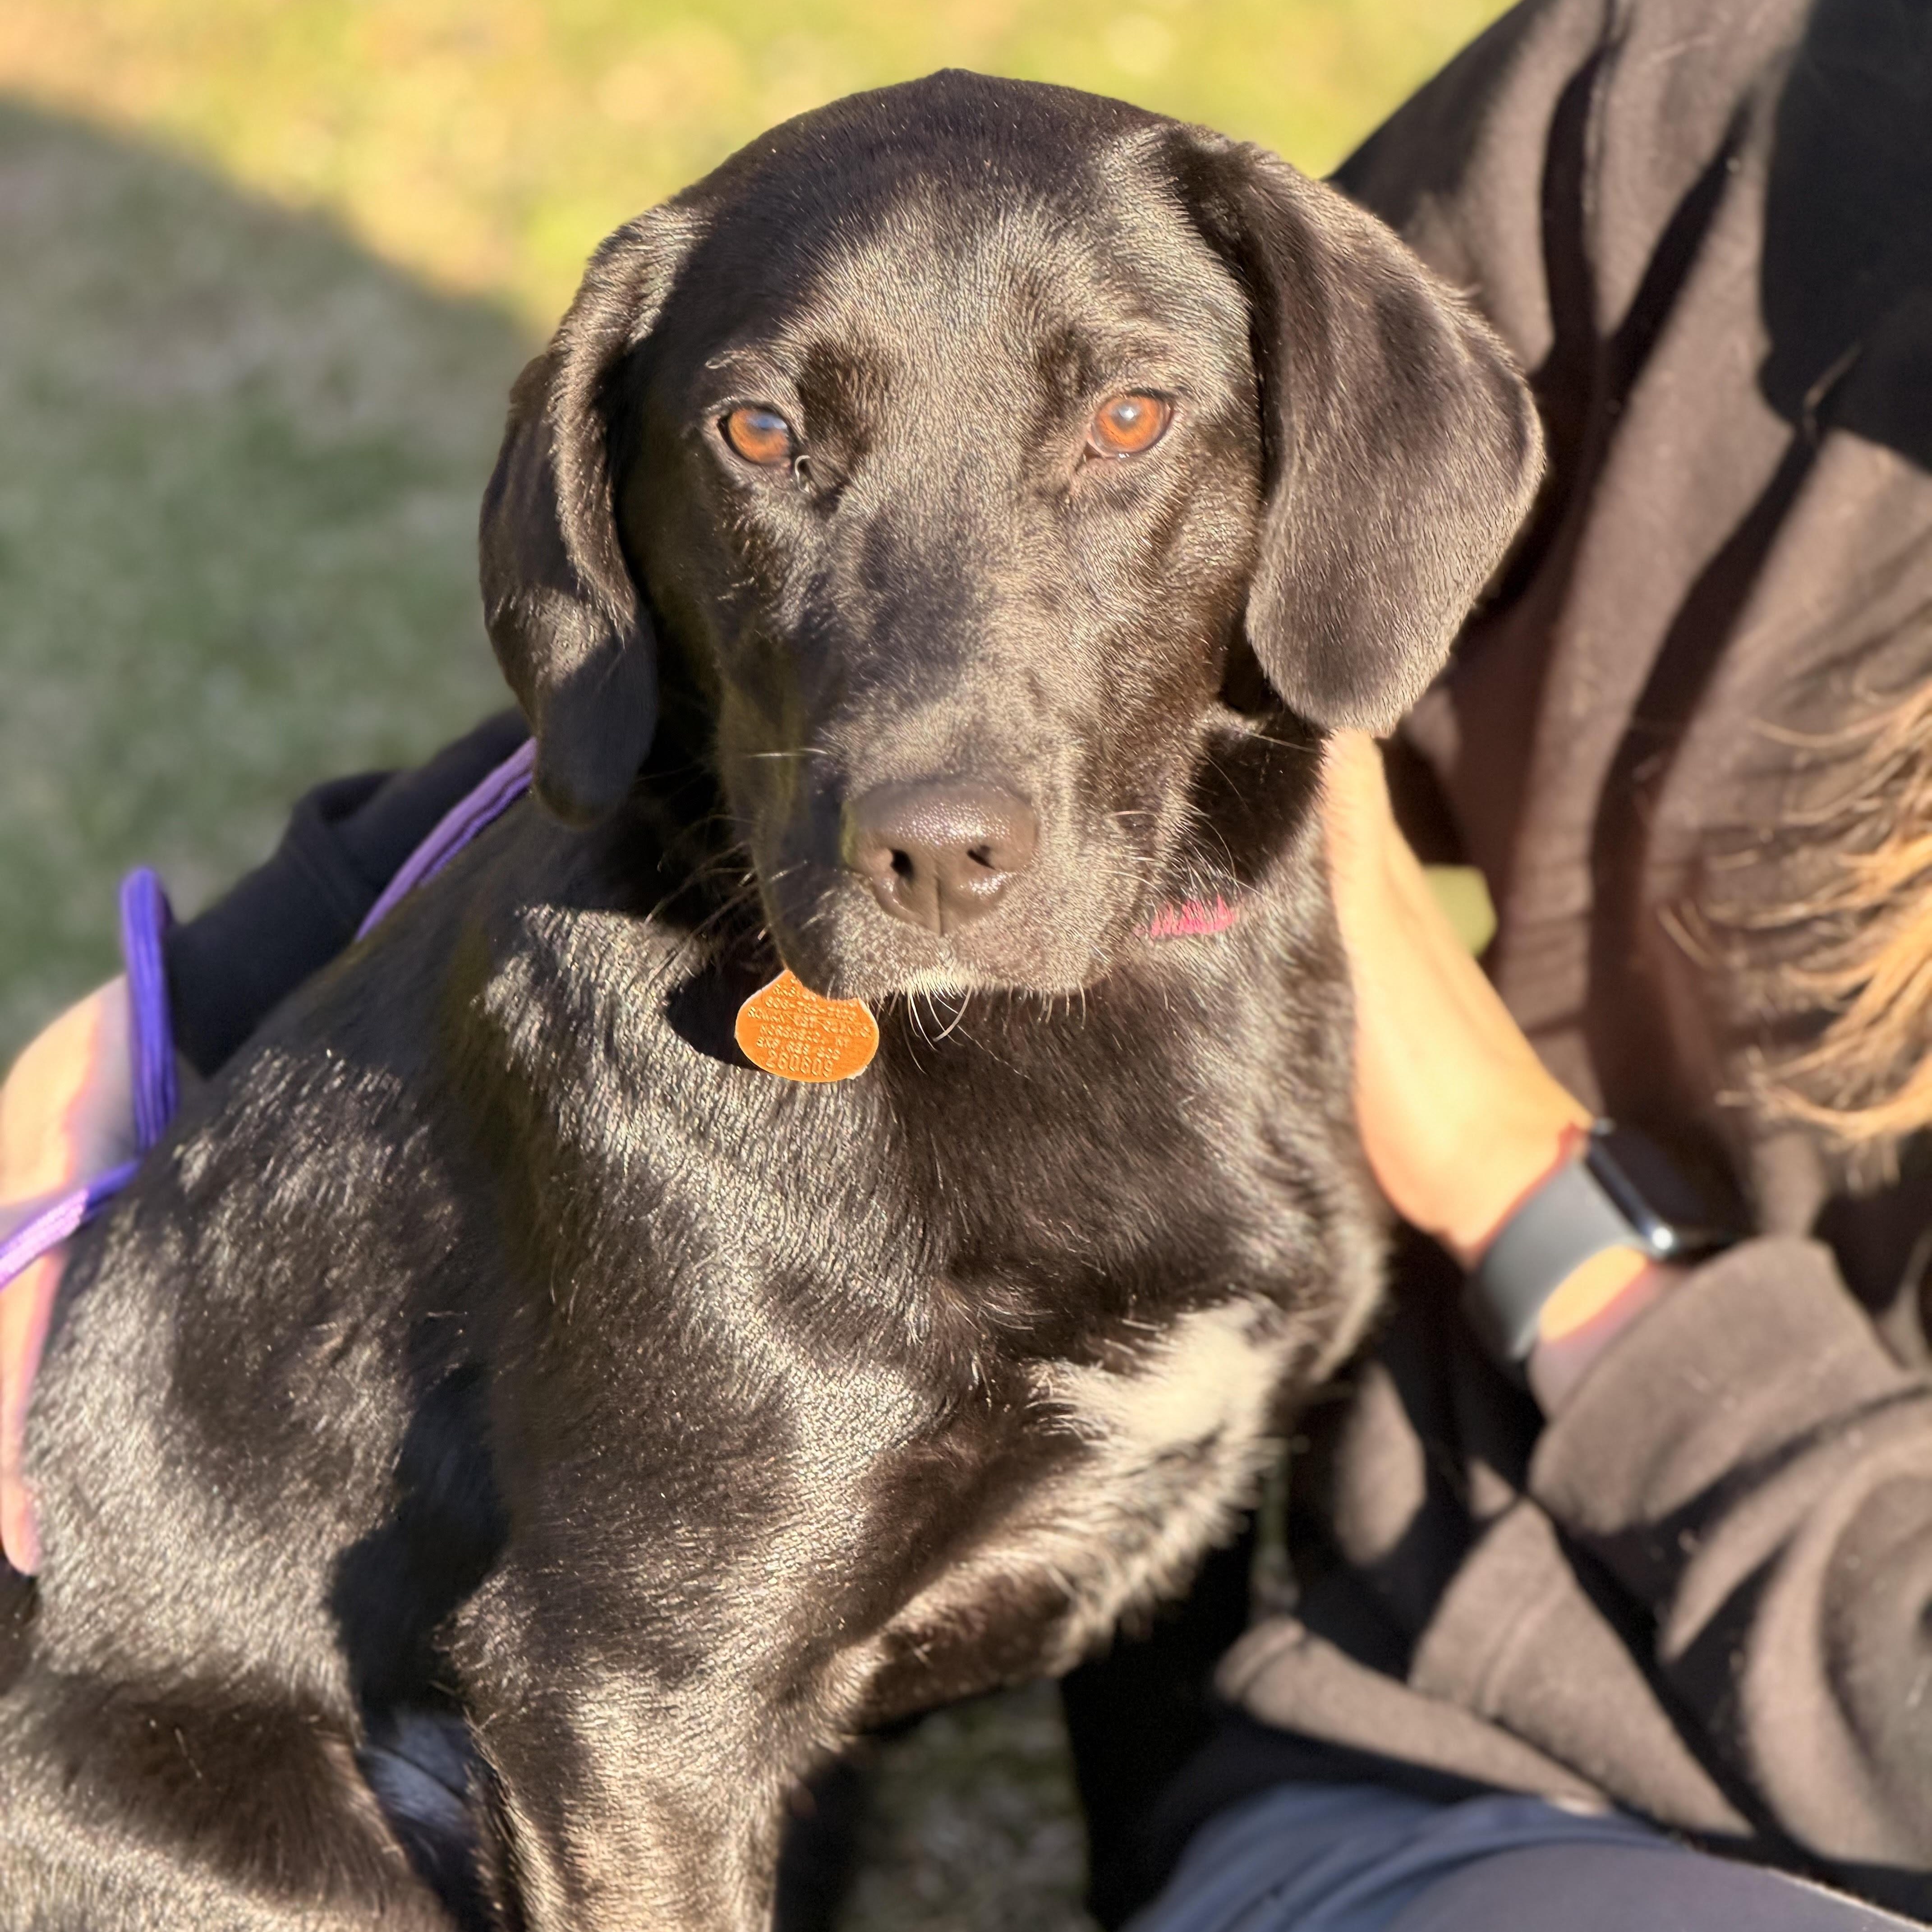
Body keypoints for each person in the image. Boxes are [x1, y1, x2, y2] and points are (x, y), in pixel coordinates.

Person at [4, 0, 1930, 1924]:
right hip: (243, 1791)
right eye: (769, 436)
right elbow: (623, 1722)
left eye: (1118, 426)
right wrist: (162, 1022)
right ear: (622, 510)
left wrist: (1531, 1194)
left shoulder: (1265, 1001)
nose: (938, 793)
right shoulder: (1762, 83)